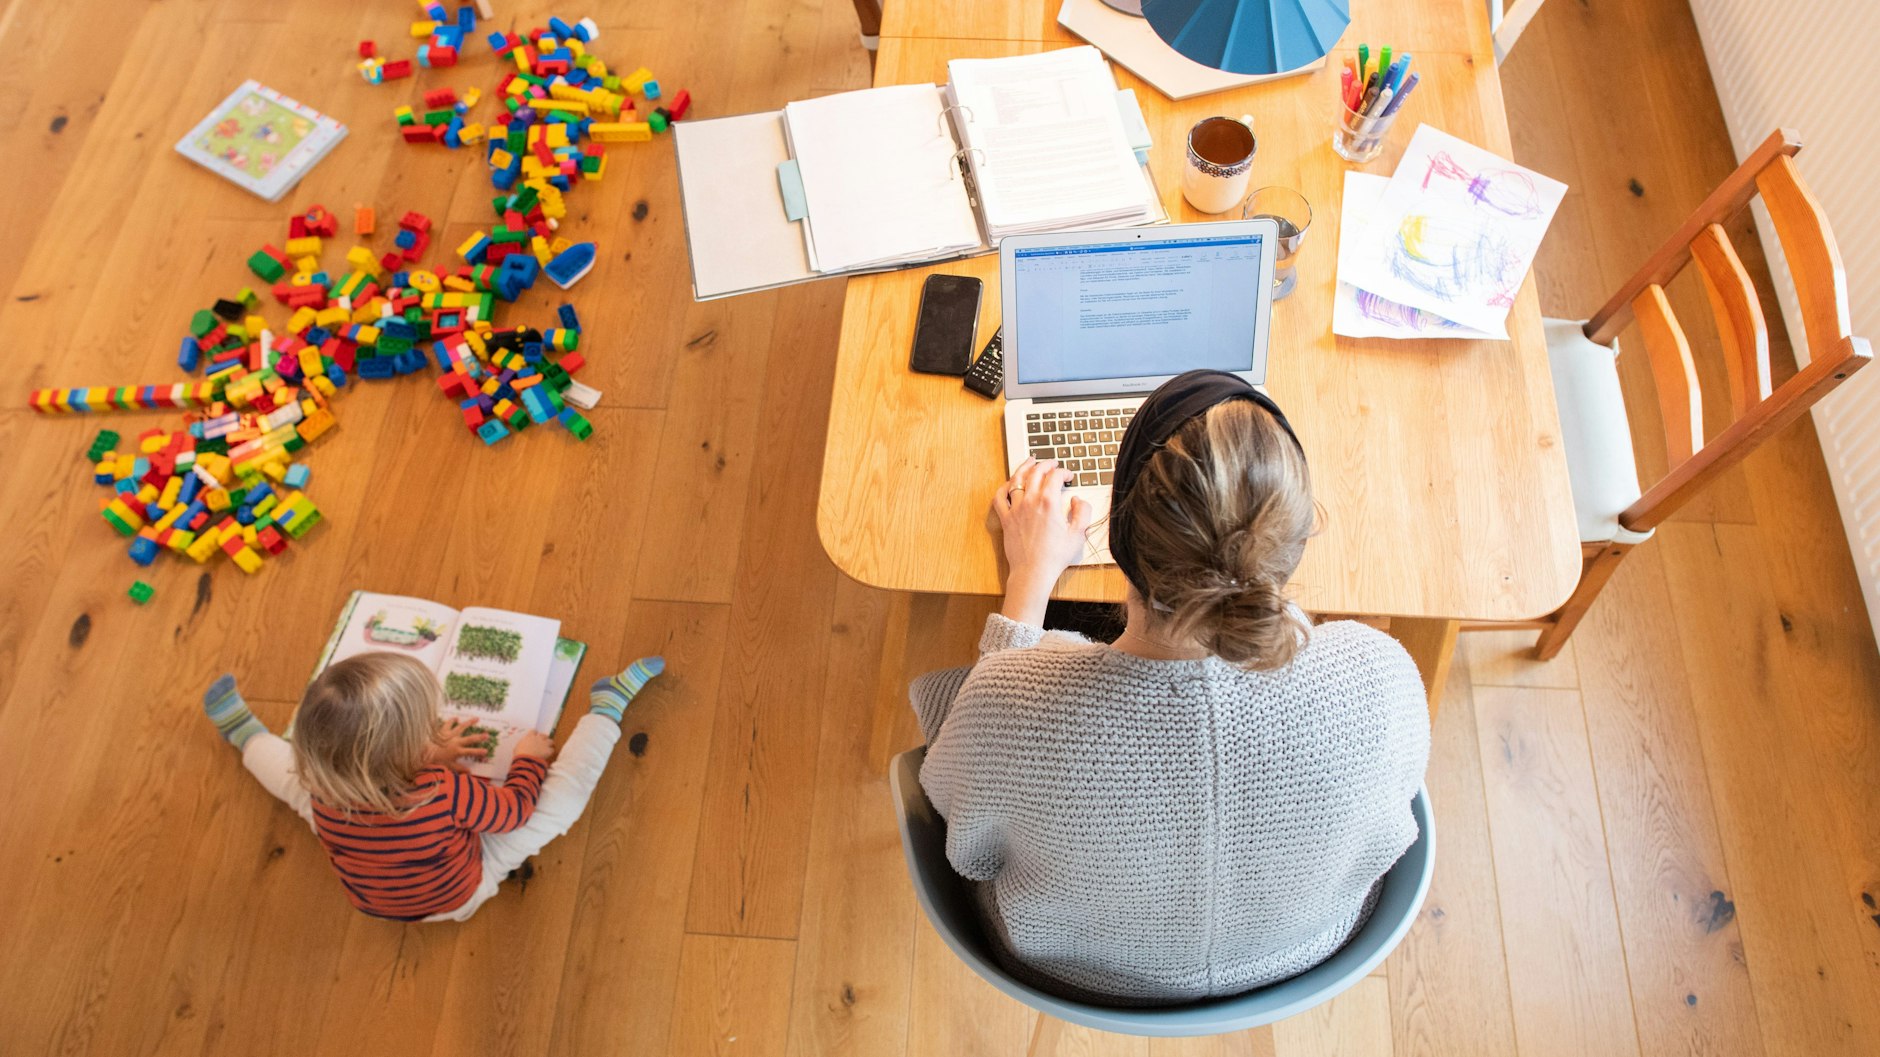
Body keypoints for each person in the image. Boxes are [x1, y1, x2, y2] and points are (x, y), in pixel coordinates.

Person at [910, 369, 1430, 1005]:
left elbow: (959, 825)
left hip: (1072, 971)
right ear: (1291, 545)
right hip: (1302, 953)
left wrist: (1029, 584)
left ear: (1121, 539)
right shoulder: (1377, 675)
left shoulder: (1013, 706)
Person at [200, 651, 665, 922]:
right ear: (411, 757)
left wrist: (427, 752)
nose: (436, 729)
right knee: (559, 803)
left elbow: (384, 772)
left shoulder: (324, 784)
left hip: (370, 898)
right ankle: (607, 707)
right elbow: (515, 811)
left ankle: (244, 735)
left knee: (291, 781)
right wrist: (525, 761)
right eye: (428, 728)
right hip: (458, 895)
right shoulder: (440, 790)